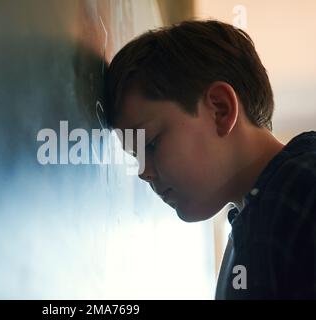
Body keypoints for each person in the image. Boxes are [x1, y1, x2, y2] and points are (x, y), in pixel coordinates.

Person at [104, 19, 316, 299]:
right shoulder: (251, 219)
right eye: (135, 156)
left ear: (220, 109)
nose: (143, 172)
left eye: (151, 144)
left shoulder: (303, 188)